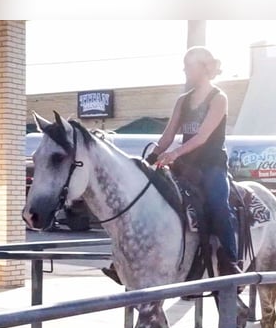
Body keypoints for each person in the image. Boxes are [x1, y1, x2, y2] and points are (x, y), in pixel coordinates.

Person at [102, 46, 240, 285]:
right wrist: (152, 157)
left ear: (204, 68)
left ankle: (231, 261)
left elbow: (202, 137)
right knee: (151, 198)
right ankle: (126, 260)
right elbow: (167, 136)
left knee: (219, 204)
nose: (185, 70)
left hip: (211, 165)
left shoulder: (219, 98)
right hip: (186, 165)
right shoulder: (183, 101)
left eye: (189, 65)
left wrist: (175, 153)